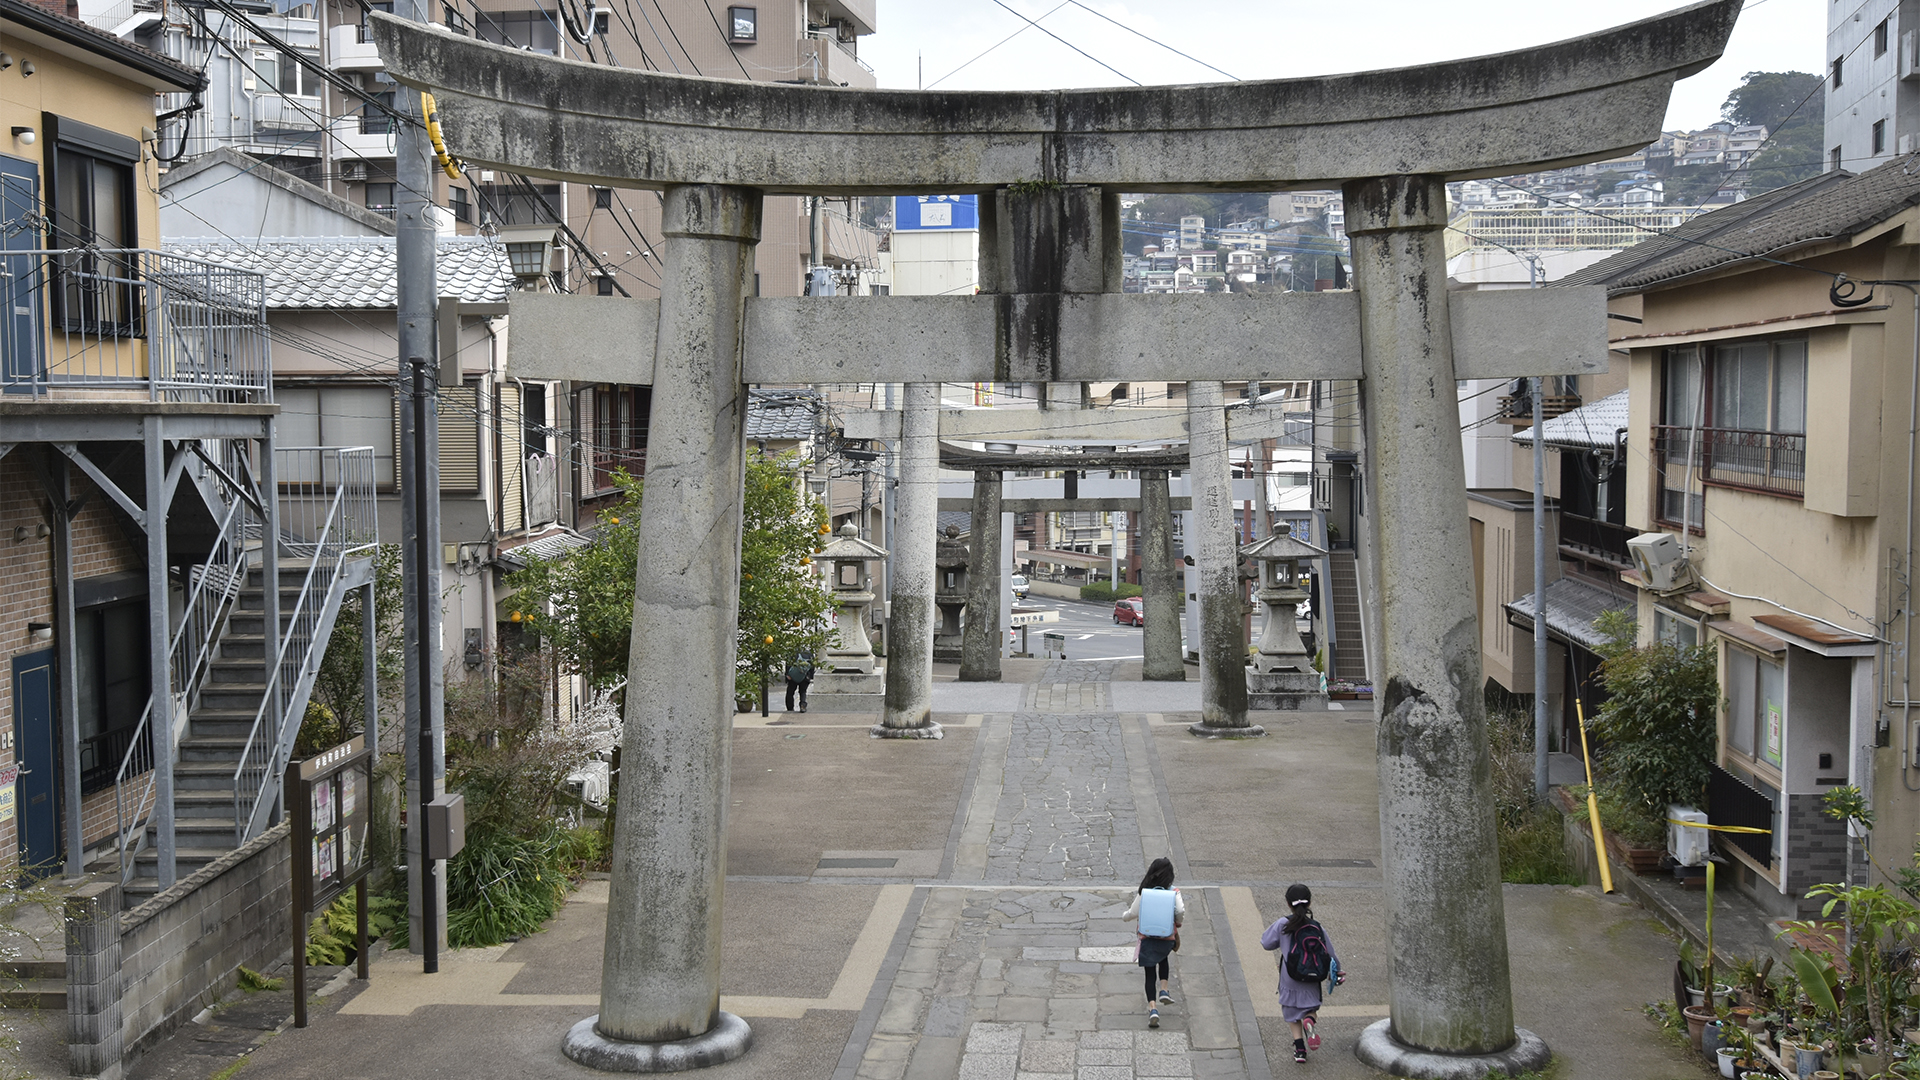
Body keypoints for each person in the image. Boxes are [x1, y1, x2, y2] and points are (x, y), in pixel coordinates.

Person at [1261, 882, 1345, 1064]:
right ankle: (1309, 1020)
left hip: (1289, 978)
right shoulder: (1317, 927)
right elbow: (1330, 953)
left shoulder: (1283, 924)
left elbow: (1266, 943)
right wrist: (1337, 972)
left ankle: (1300, 1050)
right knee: (1310, 1009)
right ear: (1310, 903)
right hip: (1312, 977)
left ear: (1288, 903)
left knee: (1291, 1014)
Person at [1122, 856, 1184, 1028]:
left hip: (1147, 937)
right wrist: (1177, 923)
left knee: (1149, 974)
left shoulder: (1145, 891)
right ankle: (1164, 989)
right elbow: (1180, 910)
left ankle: (1153, 1008)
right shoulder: (1173, 891)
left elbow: (1132, 912)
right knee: (1163, 959)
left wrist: (1125, 917)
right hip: (1166, 936)